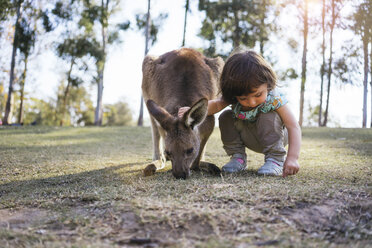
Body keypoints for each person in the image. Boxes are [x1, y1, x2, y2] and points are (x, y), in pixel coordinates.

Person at [178, 50, 301, 177]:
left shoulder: (274, 98)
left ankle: (276, 160)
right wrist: (191, 111)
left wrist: (292, 158)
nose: (252, 102)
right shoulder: (233, 96)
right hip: (251, 137)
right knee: (226, 116)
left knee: (268, 115)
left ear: (268, 83)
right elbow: (215, 105)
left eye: (258, 95)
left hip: (276, 137)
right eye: (243, 98)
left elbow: (293, 126)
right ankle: (238, 158)